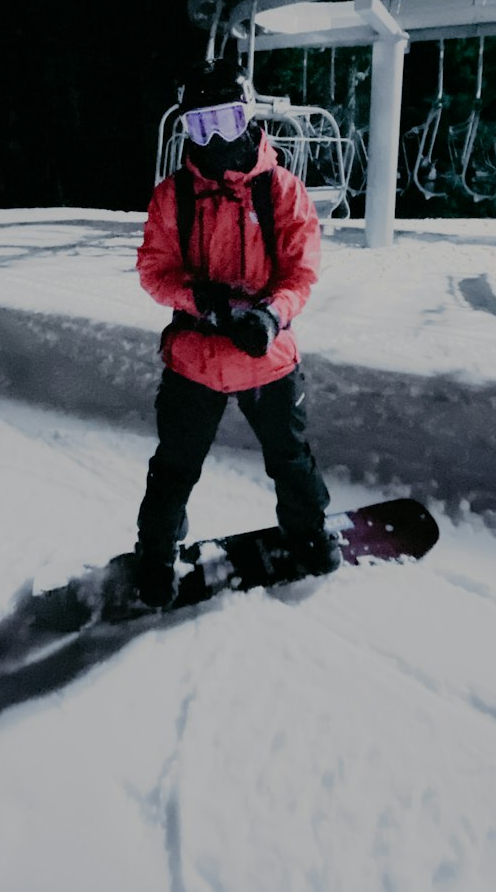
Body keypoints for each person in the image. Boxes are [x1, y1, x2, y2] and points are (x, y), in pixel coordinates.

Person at [133, 59, 340, 607]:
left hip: (265, 358)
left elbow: (302, 271)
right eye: (201, 126)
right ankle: (155, 555)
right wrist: (203, 302)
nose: (216, 138)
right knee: (174, 468)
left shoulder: (282, 192)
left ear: (249, 117)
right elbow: (155, 270)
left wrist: (271, 315)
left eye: (225, 120)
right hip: (196, 359)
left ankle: (308, 533)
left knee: (290, 458)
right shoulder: (174, 196)